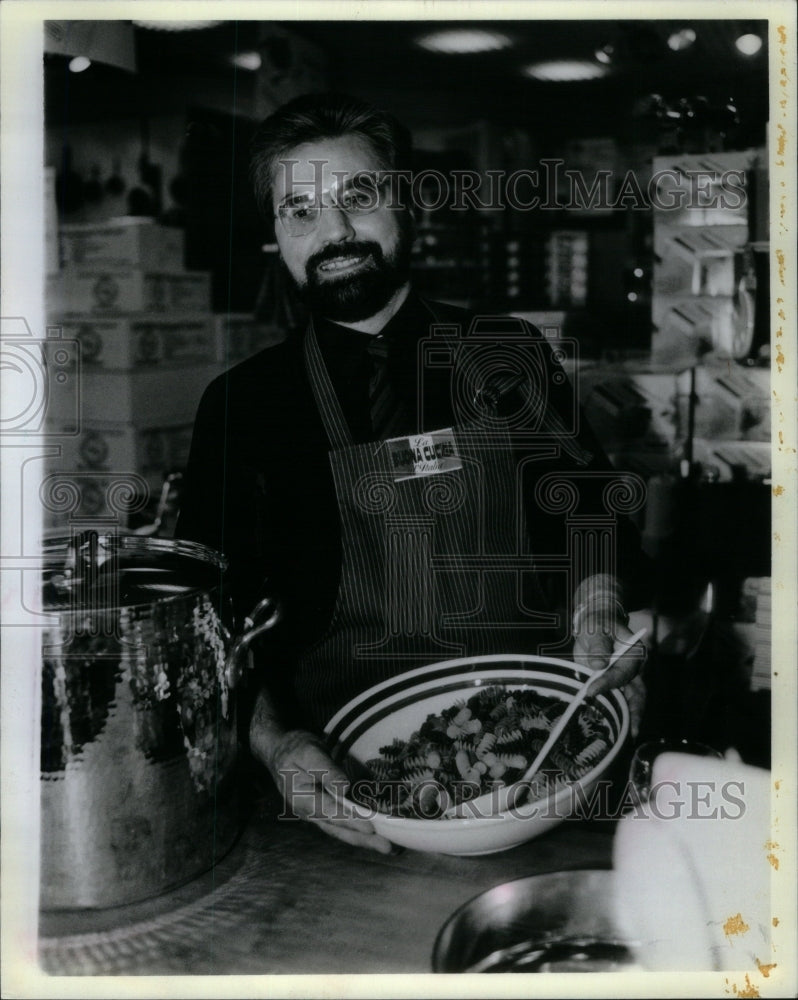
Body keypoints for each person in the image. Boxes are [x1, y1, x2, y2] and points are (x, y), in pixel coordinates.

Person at [176, 93, 651, 854]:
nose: (333, 233)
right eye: (299, 210)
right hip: (348, 797)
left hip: (548, 762)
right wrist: (272, 745)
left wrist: (600, 606)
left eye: (357, 198)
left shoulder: (508, 352)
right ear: (275, 235)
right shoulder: (243, 407)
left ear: (407, 202)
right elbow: (207, 622)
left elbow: (589, 509)